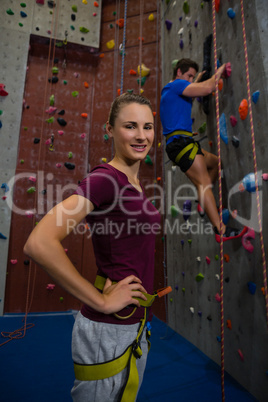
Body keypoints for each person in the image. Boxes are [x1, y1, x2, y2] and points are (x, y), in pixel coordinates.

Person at [24, 93, 162, 401]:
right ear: (110, 130)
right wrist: (100, 301)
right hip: (108, 329)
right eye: (130, 126)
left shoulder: (133, 182)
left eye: (148, 127)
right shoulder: (105, 179)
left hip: (132, 325)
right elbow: (39, 243)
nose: (141, 136)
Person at [160, 58, 247, 242]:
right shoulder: (175, 85)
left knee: (216, 163)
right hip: (181, 144)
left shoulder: (174, 92)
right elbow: (208, 88)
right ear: (178, 73)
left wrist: (197, 78)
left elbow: (193, 89)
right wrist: (220, 70)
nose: (190, 80)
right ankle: (220, 229)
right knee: (204, 183)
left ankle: (203, 202)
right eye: (188, 76)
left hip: (182, 143)